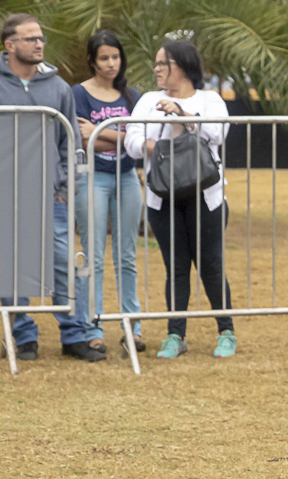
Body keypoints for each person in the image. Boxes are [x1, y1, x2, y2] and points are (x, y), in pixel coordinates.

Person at [0, 13, 104, 362]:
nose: (39, 43)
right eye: (30, 38)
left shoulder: (57, 87)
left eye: (41, 37)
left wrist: (65, 186)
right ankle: (23, 336)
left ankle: (73, 334)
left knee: (61, 261)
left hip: (50, 194)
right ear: (10, 45)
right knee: (11, 264)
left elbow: (70, 141)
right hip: (5, 194)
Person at [124, 40, 236, 359]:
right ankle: (176, 335)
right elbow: (132, 141)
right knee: (175, 267)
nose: (157, 69)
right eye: (156, 64)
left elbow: (217, 133)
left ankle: (226, 331)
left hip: (206, 195)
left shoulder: (210, 99)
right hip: (163, 195)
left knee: (211, 264)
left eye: (163, 63)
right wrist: (160, 149)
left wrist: (183, 113)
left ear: (182, 66)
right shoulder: (148, 100)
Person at [73, 30, 145, 355]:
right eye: (104, 58)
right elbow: (82, 139)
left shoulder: (132, 96)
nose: (111, 63)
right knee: (94, 256)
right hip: (94, 179)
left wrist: (101, 132)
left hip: (128, 178)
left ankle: (132, 325)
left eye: (115, 57)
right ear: (92, 60)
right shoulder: (79, 93)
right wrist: (120, 136)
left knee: (126, 256)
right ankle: (92, 326)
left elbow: (135, 144)